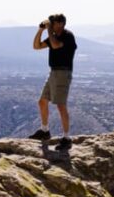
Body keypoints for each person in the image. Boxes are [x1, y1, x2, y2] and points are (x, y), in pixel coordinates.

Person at [28, 13, 77, 150]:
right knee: (42, 101)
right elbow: (36, 46)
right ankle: (45, 131)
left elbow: (55, 45)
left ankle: (66, 138)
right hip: (54, 72)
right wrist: (41, 30)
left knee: (61, 105)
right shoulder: (53, 36)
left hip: (63, 73)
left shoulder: (68, 36)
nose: (51, 25)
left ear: (60, 24)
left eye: (53, 23)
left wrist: (48, 29)